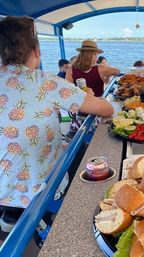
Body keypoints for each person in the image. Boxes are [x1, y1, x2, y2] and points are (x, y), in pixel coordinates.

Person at [0, 16, 114, 229]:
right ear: (36, 51)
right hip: (36, 191)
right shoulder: (46, 82)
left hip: (3, 190)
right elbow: (106, 109)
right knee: (80, 153)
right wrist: (87, 95)